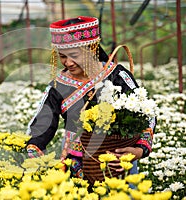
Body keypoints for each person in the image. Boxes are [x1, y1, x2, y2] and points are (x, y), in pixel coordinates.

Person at [26, 16, 155, 186]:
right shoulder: (58, 86)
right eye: (62, 56)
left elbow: (147, 114)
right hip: (77, 163)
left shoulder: (117, 75)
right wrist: (35, 153)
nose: (68, 63)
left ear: (92, 49)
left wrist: (139, 150)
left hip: (119, 161)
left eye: (74, 55)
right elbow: (42, 123)